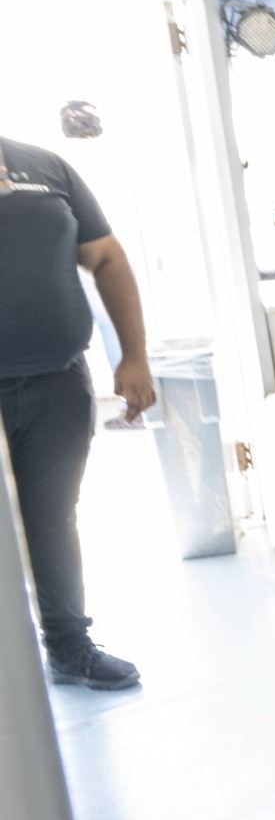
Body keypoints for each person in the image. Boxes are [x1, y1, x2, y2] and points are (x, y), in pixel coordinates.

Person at [0, 134, 152, 689]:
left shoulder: (45, 167)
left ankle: (68, 646)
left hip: (56, 380)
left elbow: (106, 256)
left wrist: (133, 355)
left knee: (54, 516)